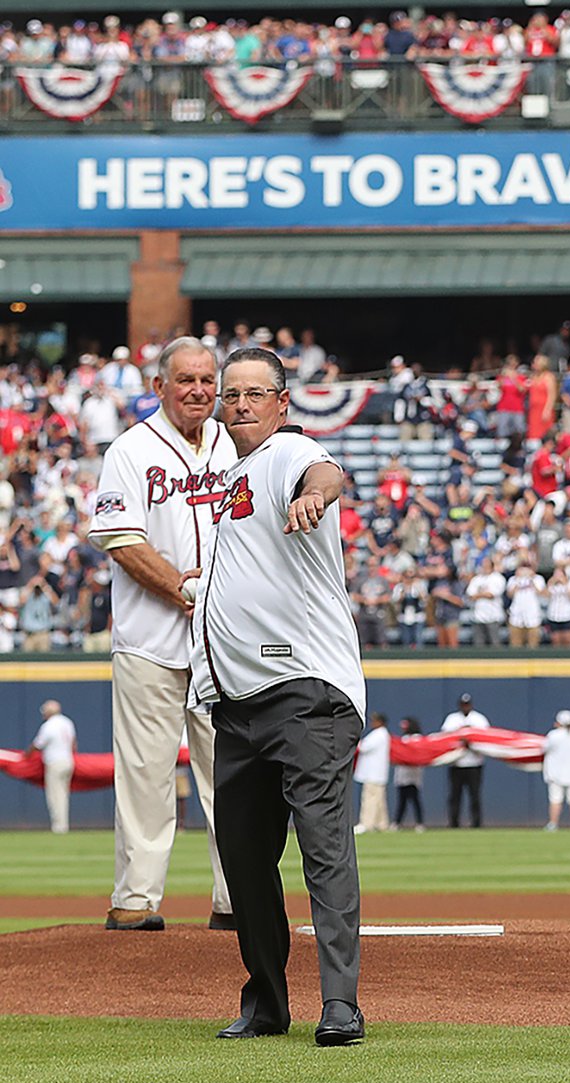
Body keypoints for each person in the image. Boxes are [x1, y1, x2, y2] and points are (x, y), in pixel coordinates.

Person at [190, 345, 365, 1047]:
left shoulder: (292, 453)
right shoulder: (232, 475)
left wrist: (317, 494)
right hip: (237, 701)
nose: (241, 405)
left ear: (283, 403)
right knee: (242, 857)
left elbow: (327, 471)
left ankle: (342, 1003)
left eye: (256, 393)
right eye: (232, 395)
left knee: (324, 847)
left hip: (304, 689)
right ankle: (265, 1000)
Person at [84, 336, 237, 931]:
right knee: (146, 772)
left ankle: (236, 897)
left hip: (225, 644)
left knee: (231, 773)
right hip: (151, 638)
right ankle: (137, 898)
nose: (199, 391)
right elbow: (121, 540)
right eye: (186, 380)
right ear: (160, 387)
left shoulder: (235, 443)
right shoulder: (129, 449)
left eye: (207, 381)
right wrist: (185, 588)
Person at [439, 693, 489, 828]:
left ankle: (476, 823)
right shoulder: (452, 719)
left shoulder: (479, 719)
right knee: (455, 796)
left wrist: (471, 741)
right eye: (463, 704)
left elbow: (486, 738)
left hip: (474, 763)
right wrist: (460, 740)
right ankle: (453, 823)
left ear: (471, 705)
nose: (465, 707)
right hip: (456, 763)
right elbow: (445, 737)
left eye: (467, 704)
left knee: (475, 796)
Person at [33, 699, 77, 834]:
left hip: (55, 762)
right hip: (68, 761)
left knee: (54, 796)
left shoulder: (49, 725)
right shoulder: (67, 722)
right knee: (63, 795)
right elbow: (74, 744)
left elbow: (38, 745)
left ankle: (59, 827)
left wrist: (25, 755)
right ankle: (63, 825)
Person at [542, 710, 570, 832]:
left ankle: (553, 824)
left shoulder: (553, 735)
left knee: (555, 799)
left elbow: (543, 748)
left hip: (555, 772)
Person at [352, 713, 392, 835]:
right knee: (379, 801)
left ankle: (366, 824)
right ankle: (382, 824)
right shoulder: (383, 734)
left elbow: (363, 747)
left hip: (373, 774)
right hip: (377, 774)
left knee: (369, 799)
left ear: (380, 722)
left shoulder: (378, 734)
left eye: (374, 720)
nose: (372, 722)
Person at [392, 717, 425, 831]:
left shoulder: (418, 738)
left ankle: (420, 823)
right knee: (402, 801)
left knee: (415, 799)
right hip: (402, 773)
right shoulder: (403, 739)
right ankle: (397, 823)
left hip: (414, 774)